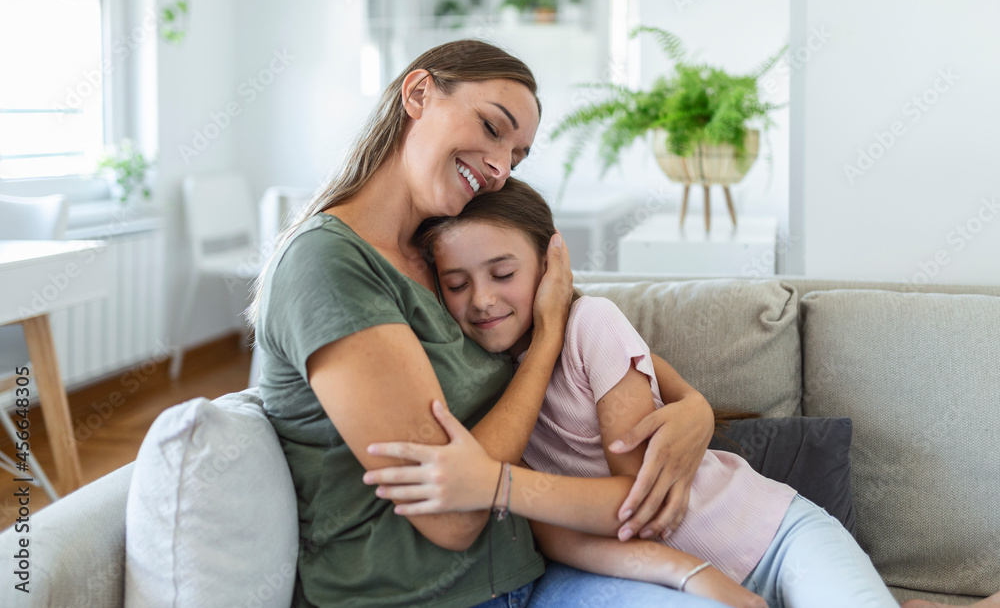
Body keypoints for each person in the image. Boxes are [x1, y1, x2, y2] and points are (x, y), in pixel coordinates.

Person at [363, 178, 1000, 608]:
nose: (482, 300)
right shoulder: (480, 381)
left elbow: (636, 504)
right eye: (456, 283)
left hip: (777, 536)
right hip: (687, 577)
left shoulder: (592, 324)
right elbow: (557, 537)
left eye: (503, 273)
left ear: (551, 264)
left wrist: (495, 481)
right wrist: (692, 575)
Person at [248, 39, 723, 607]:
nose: (500, 168)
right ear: (419, 93)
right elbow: (453, 519)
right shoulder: (328, 264)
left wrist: (696, 406)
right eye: (493, 128)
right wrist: (545, 341)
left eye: (518, 157)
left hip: (537, 569)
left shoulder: (442, 256)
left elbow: (592, 334)